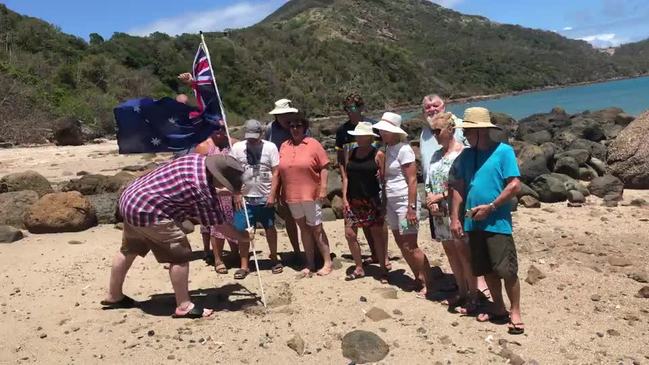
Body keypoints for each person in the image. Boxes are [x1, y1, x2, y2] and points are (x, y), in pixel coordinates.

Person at [101, 154, 253, 318]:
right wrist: (245, 237)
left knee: (128, 250)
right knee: (180, 255)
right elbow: (220, 226)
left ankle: (114, 295)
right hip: (149, 211)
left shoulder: (195, 159)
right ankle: (183, 306)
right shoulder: (202, 190)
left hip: (131, 198)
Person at [449, 107, 524, 335]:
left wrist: (491, 207)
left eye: (470, 131)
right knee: (486, 269)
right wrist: (455, 218)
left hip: (497, 223)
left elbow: (514, 185)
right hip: (473, 223)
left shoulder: (503, 152)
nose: (466, 136)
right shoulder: (465, 156)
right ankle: (498, 307)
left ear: (482, 130)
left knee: (507, 270)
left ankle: (516, 312)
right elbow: (458, 189)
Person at [373, 112, 432, 298]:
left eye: (386, 130)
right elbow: (388, 177)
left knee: (410, 244)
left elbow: (413, 180)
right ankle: (418, 276)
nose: (382, 133)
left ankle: (428, 281)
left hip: (404, 201)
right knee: (400, 242)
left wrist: (411, 208)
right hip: (391, 201)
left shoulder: (404, 149)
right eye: (381, 130)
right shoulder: (386, 149)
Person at [424, 113, 477, 312]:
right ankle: (462, 291)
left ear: (451, 130)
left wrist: (441, 196)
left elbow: (464, 184)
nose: (435, 135)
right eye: (432, 131)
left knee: (464, 252)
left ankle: (473, 294)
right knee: (450, 251)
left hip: (456, 211)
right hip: (439, 213)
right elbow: (429, 182)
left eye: (438, 131)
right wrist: (431, 199)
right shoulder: (437, 155)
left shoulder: (463, 153)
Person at [271, 114, 333, 276]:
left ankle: (327, 262)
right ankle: (310, 263)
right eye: (292, 126)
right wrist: (276, 192)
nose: (295, 129)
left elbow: (325, 166)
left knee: (317, 228)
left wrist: (324, 188)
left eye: (298, 125)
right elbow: (278, 172)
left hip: (311, 194)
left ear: (304, 127)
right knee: (303, 229)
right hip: (291, 195)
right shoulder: (284, 145)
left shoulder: (313, 144)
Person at [335, 93, 390, 271]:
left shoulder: (373, 126)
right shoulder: (342, 132)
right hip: (353, 180)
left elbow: (384, 148)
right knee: (358, 226)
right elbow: (341, 159)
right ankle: (371, 257)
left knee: (377, 225)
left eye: (353, 108)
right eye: (347, 109)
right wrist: (344, 177)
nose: (350, 112)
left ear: (361, 108)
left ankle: (383, 255)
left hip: (371, 182)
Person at [230, 119, 283, 278]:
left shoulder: (270, 147)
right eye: (249, 136)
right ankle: (244, 265)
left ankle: (274, 258)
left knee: (270, 228)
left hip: (264, 196)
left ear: (261, 133)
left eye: (255, 136)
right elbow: (232, 172)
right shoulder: (238, 148)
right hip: (244, 198)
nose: (252, 140)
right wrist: (236, 193)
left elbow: (276, 173)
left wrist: (273, 194)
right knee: (242, 230)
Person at [340, 122, 388, 282]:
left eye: (362, 135)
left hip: (372, 199)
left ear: (370, 137)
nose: (359, 138)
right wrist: (345, 198)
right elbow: (346, 176)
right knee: (350, 234)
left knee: (377, 235)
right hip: (353, 199)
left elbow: (384, 179)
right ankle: (359, 267)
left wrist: (384, 203)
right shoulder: (351, 153)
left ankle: (382, 269)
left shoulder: (378, 154)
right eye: (357, 135)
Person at [194, 125, 239, 274]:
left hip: (231, 192)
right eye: (215, 128)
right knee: (214, 226)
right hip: (212, 192)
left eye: (221, 127)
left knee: (234, 223)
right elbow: (197, 170)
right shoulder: (204, 147)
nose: (219, 131)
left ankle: (234, 254)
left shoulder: (234, 144)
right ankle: (217, 258)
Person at [264, 99, 304, 259]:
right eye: (281, 115)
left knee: (306, 214)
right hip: (279, 173)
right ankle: (296, 251)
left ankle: (312, 248)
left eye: (287, 114)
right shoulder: (270, 129)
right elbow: (267, 149)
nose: (285, 118)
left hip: (299, 174)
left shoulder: (298, 126)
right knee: (288, 216)